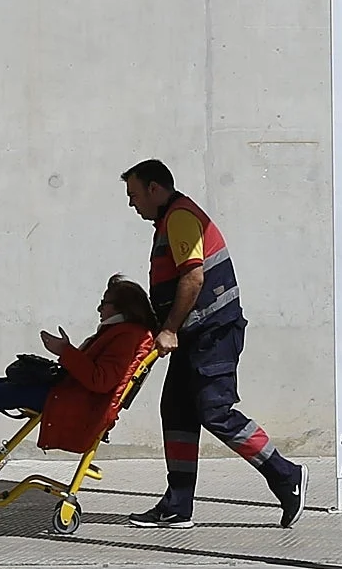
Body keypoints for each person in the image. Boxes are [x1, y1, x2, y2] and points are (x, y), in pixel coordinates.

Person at [120, 158, 308, 529]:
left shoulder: (181, 219)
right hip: (194, 334)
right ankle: (177, 504)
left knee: (214, 410)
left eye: (134, 194)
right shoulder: (170, 220)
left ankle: (286, 475)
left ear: (155, 189)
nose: (132, 203)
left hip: (212, 334)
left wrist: (169, 328)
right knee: (176, 412)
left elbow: (193, 278)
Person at [0, 274, 158, 498]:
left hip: (74, 402)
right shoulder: (122, 332)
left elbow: (101, 380)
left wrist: (65, 352)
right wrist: (68, 352)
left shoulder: (125, 336)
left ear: (121, 308)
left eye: (104, 303)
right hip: (71, 395)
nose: (99, 309)